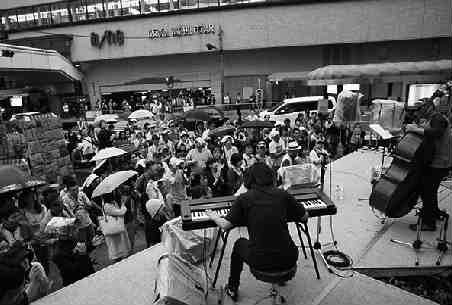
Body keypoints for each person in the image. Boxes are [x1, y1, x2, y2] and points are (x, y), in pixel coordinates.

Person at [205, 163, 308, 301]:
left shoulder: (244, 198)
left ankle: (232, 287)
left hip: (260, 262)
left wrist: (213, 215)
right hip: (289, 259)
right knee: (278, 241)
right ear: (270, 177)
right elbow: (304, 217)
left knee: (239, 244)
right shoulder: (282, 194)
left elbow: (225, 225)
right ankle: (281, 279)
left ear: (249, 179)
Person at [405, 100, 452, 231]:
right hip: (437, 162)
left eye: (421, 110)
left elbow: (436, 133)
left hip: (439, 163)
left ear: (430, 108)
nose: (419, 113)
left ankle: (428, 223)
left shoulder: (438, 118)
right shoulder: (435, 118)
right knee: (430, 190)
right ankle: (434, 213)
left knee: (427, 192)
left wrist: (416, 129)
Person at [101, 192, 131, 262]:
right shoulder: (107, 206)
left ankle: (119, 257)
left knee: (118, 245)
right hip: (113, 228)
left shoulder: (112, 203)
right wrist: (123, 204)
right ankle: (117, 259)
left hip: (116, 226)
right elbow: (121, 212)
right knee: (115, 246)